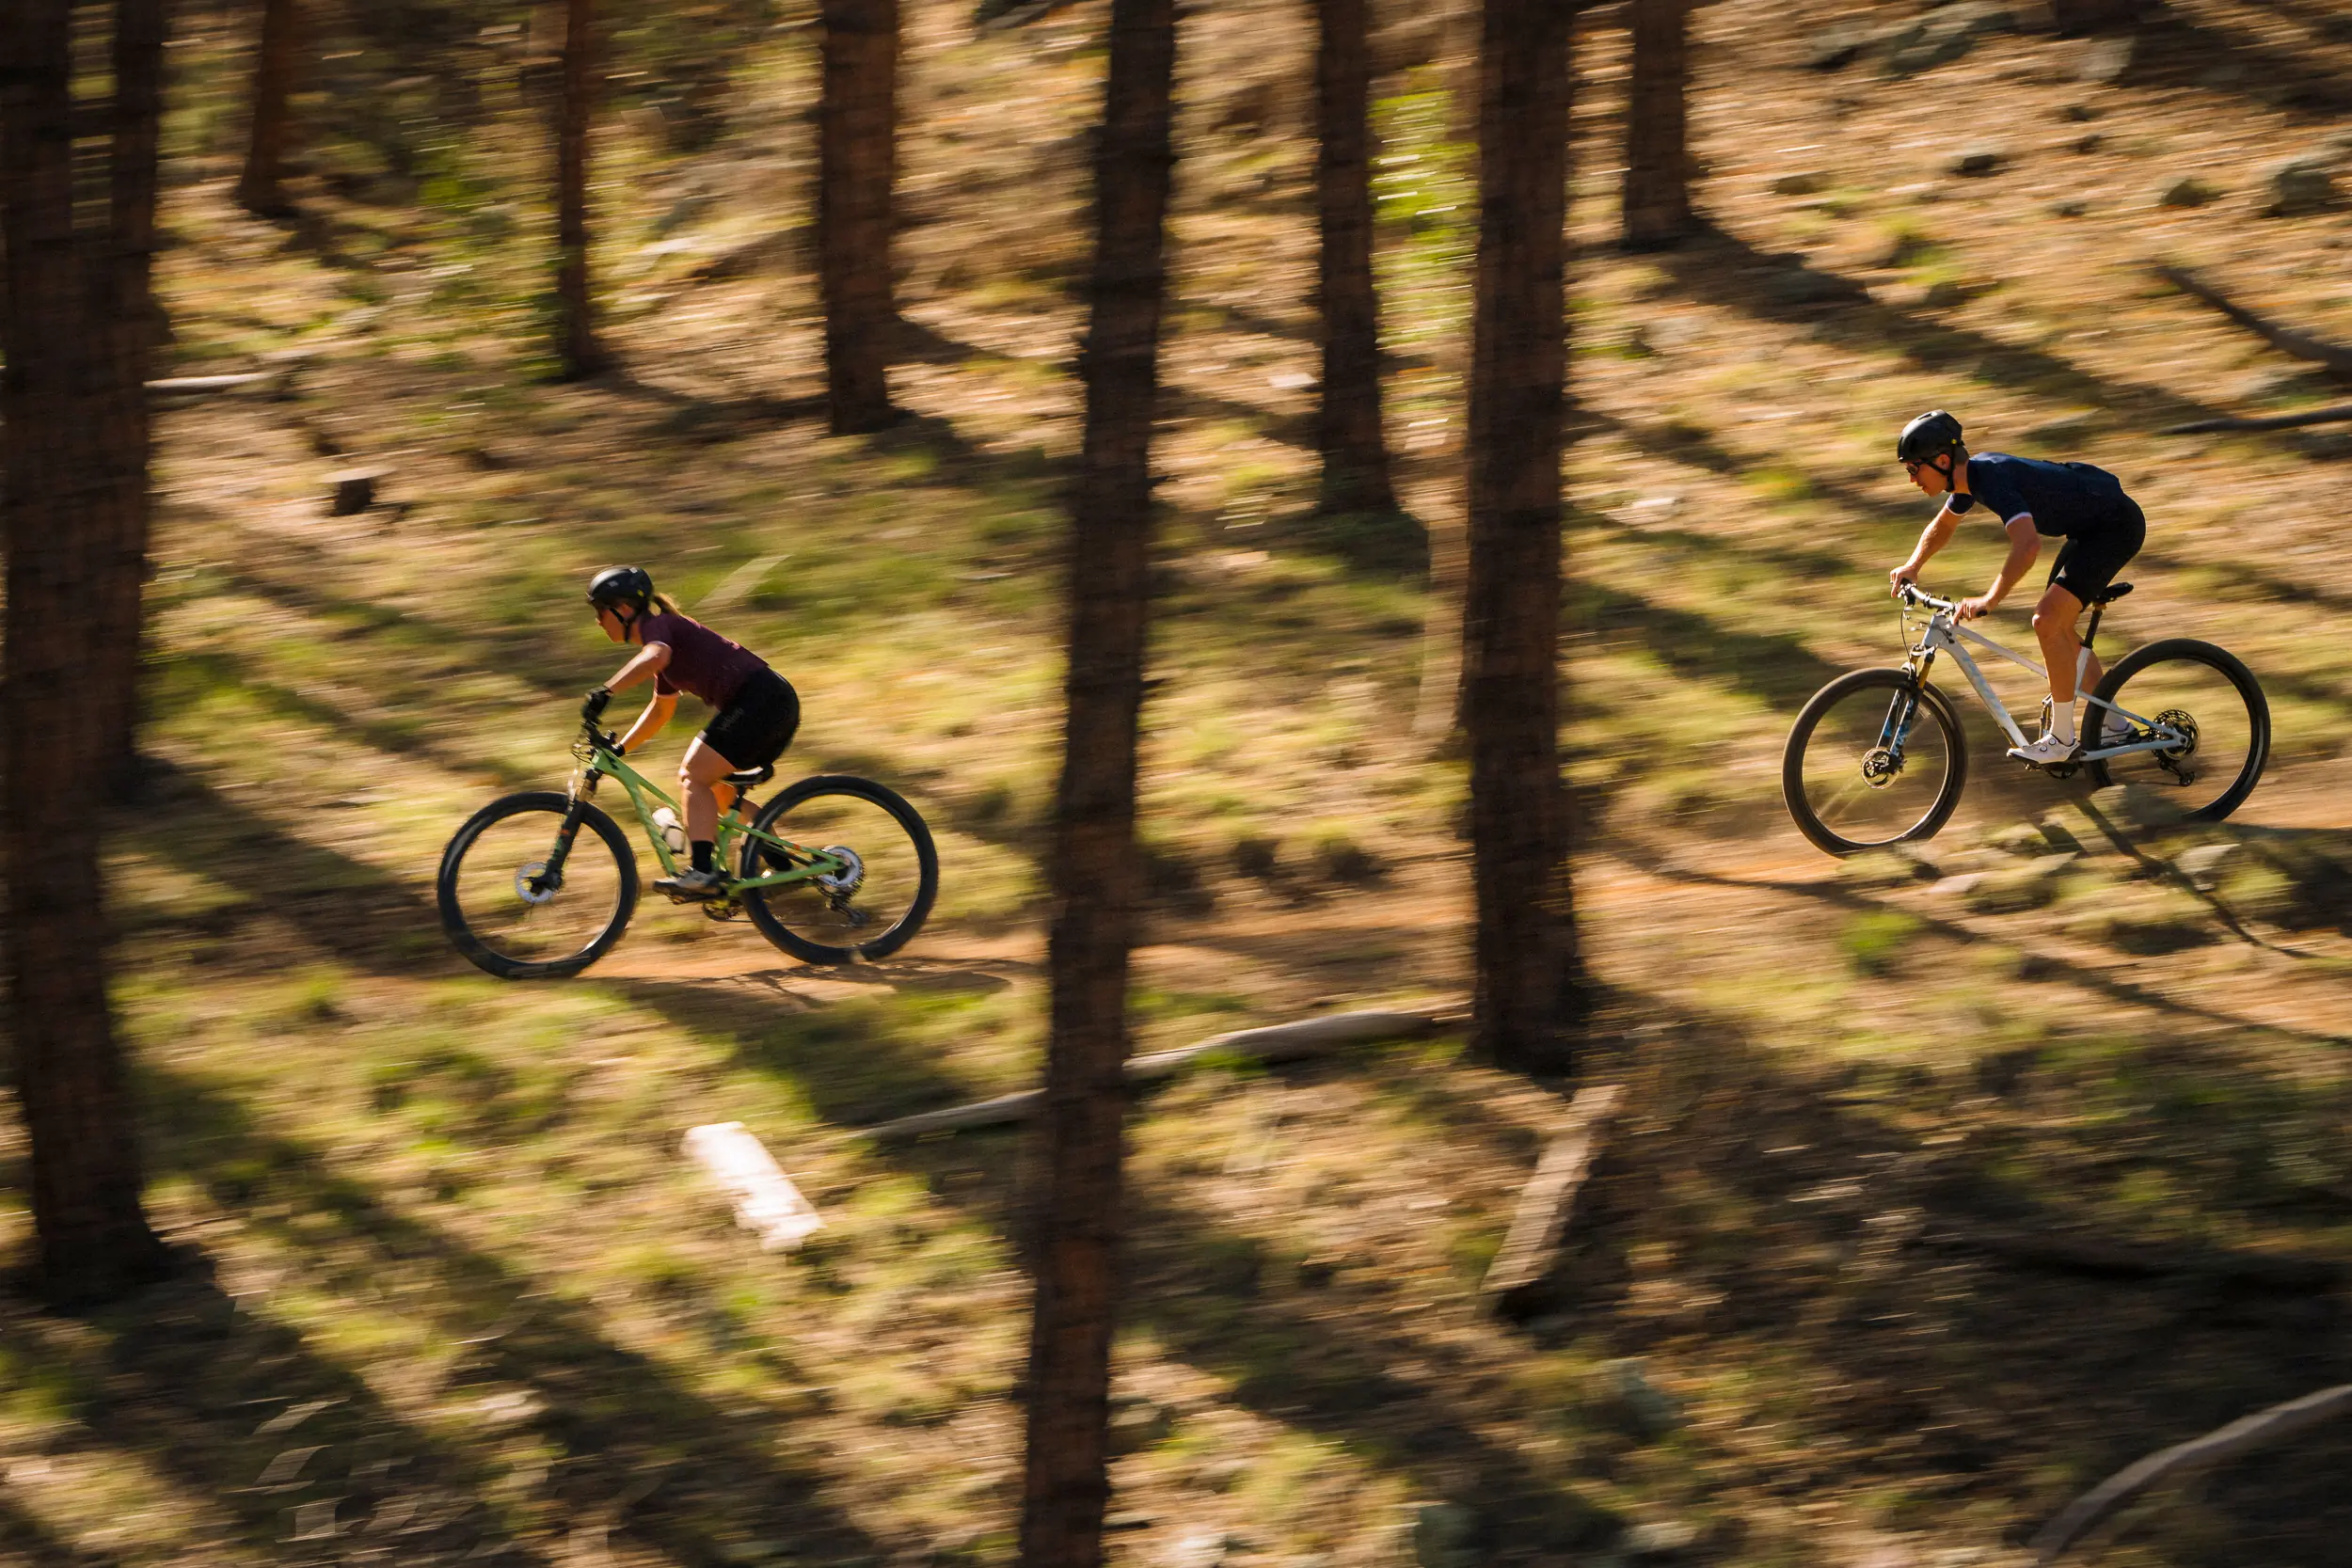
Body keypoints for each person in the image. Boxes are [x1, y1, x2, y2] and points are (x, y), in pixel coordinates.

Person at [1885, 410, 2146, 765]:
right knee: (2060, 627)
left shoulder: (1990, 477)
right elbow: (1943, 526)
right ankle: (2115, 724)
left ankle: (2062, 739)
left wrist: (1990, 599)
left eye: (1914, 468)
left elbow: (2028, 546)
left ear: (1943, 460)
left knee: (2046, 620)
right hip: (2090, 532)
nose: (1912, 478)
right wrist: (1913, 565)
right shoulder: (1970, 481)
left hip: (2115, 528)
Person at [584, 565, 801, 897]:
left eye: (601, 611)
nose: (598, 621)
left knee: (693, 775)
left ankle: (702, 873)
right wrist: (621, 749)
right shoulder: (665, 649)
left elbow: (656, 656)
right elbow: (660, 711)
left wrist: (606, 691)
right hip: (768, 703)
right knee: (720, 794)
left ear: (623, 609)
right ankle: (782, 867)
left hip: (762, 701)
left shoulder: (661, 630)